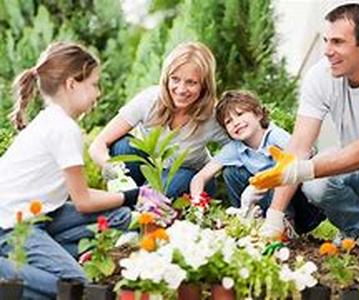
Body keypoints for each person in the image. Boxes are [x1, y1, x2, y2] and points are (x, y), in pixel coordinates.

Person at [252, 3, 359, 252]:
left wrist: (303, 169)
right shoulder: (321, 75)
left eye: (337, 42)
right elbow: (299, 147)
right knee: (315, 183)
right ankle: (355, 224)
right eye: (326, 41)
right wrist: (274, 216)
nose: (327, 51)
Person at [0, 42, 141, 299]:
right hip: (10, 227)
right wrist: (136, 195)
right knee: (77, 287)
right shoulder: (63, 128)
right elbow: (84, 201)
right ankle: (13, 270)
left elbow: (80, 195)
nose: (98, 93)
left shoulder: (52, 120)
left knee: (118, 216)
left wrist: (133, 199)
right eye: (94, 84)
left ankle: (35, 265)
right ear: (71, 83)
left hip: (38, 217)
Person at [89, 41, 228, 199]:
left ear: (205, 85)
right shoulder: (149, 100)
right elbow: (98, 144)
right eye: (175, 79)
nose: (181, 90)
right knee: (123, 147)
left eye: (191, 82)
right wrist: (111, 168)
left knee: (179, 177)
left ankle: (138, 204)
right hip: (152, 172)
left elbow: (235, 148)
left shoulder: (213, 114)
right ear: (166, 78)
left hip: (190, 178)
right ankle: (134, 199)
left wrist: (203, 175)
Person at [190, 90, 324, 235]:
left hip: (302, 208)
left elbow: (303, 155)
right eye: (228, 121)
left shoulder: (275, 136)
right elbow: (200, 177)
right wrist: (198, 202)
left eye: (240, 114)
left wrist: (261, 184)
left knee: (281, 174)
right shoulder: (236, 148)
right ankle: (248, 219)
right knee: (231, 173)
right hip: (267, 203)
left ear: (258, 114)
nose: (236, 123)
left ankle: (285, 227)